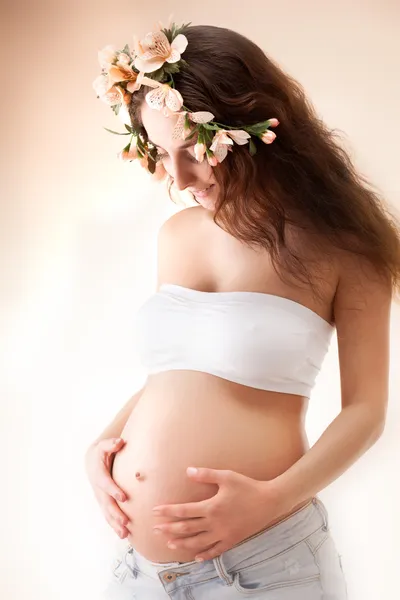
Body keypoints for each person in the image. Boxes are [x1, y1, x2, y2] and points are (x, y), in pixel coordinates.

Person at [87, 17, 400, 599]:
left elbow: (366, 412)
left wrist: (272, 500)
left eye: (193, 150)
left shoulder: (345, 247)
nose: (179, 179)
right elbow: (176, 375)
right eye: (161, 153)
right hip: (139, 572)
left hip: (264, 564)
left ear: (249, 126)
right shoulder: (178, 234)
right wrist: (100, 448)